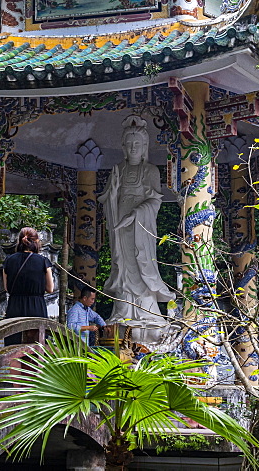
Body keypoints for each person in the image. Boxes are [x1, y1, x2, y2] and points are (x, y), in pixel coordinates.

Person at [101, 115, 177, 345]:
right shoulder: (118, 170)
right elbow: (106, 199)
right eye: (130, 144)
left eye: (138, 144)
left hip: (142, 227)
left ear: (145, 147)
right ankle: (123, 310)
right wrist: (113, 195)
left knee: (142, 263)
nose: (134, 148)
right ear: (123, 147)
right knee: (123, 265)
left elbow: (155, 201)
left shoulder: (151, 171)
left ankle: (148, 312)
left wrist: (136, 214)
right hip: (121, 227)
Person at [2, 227, 54, 340]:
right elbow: (50, 289)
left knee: (12, 345)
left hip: (14, 306)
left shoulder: (9, 261)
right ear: (36, 242)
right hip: (36, 307)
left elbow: (6, 288)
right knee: (36, 347)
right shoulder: (43, 261)